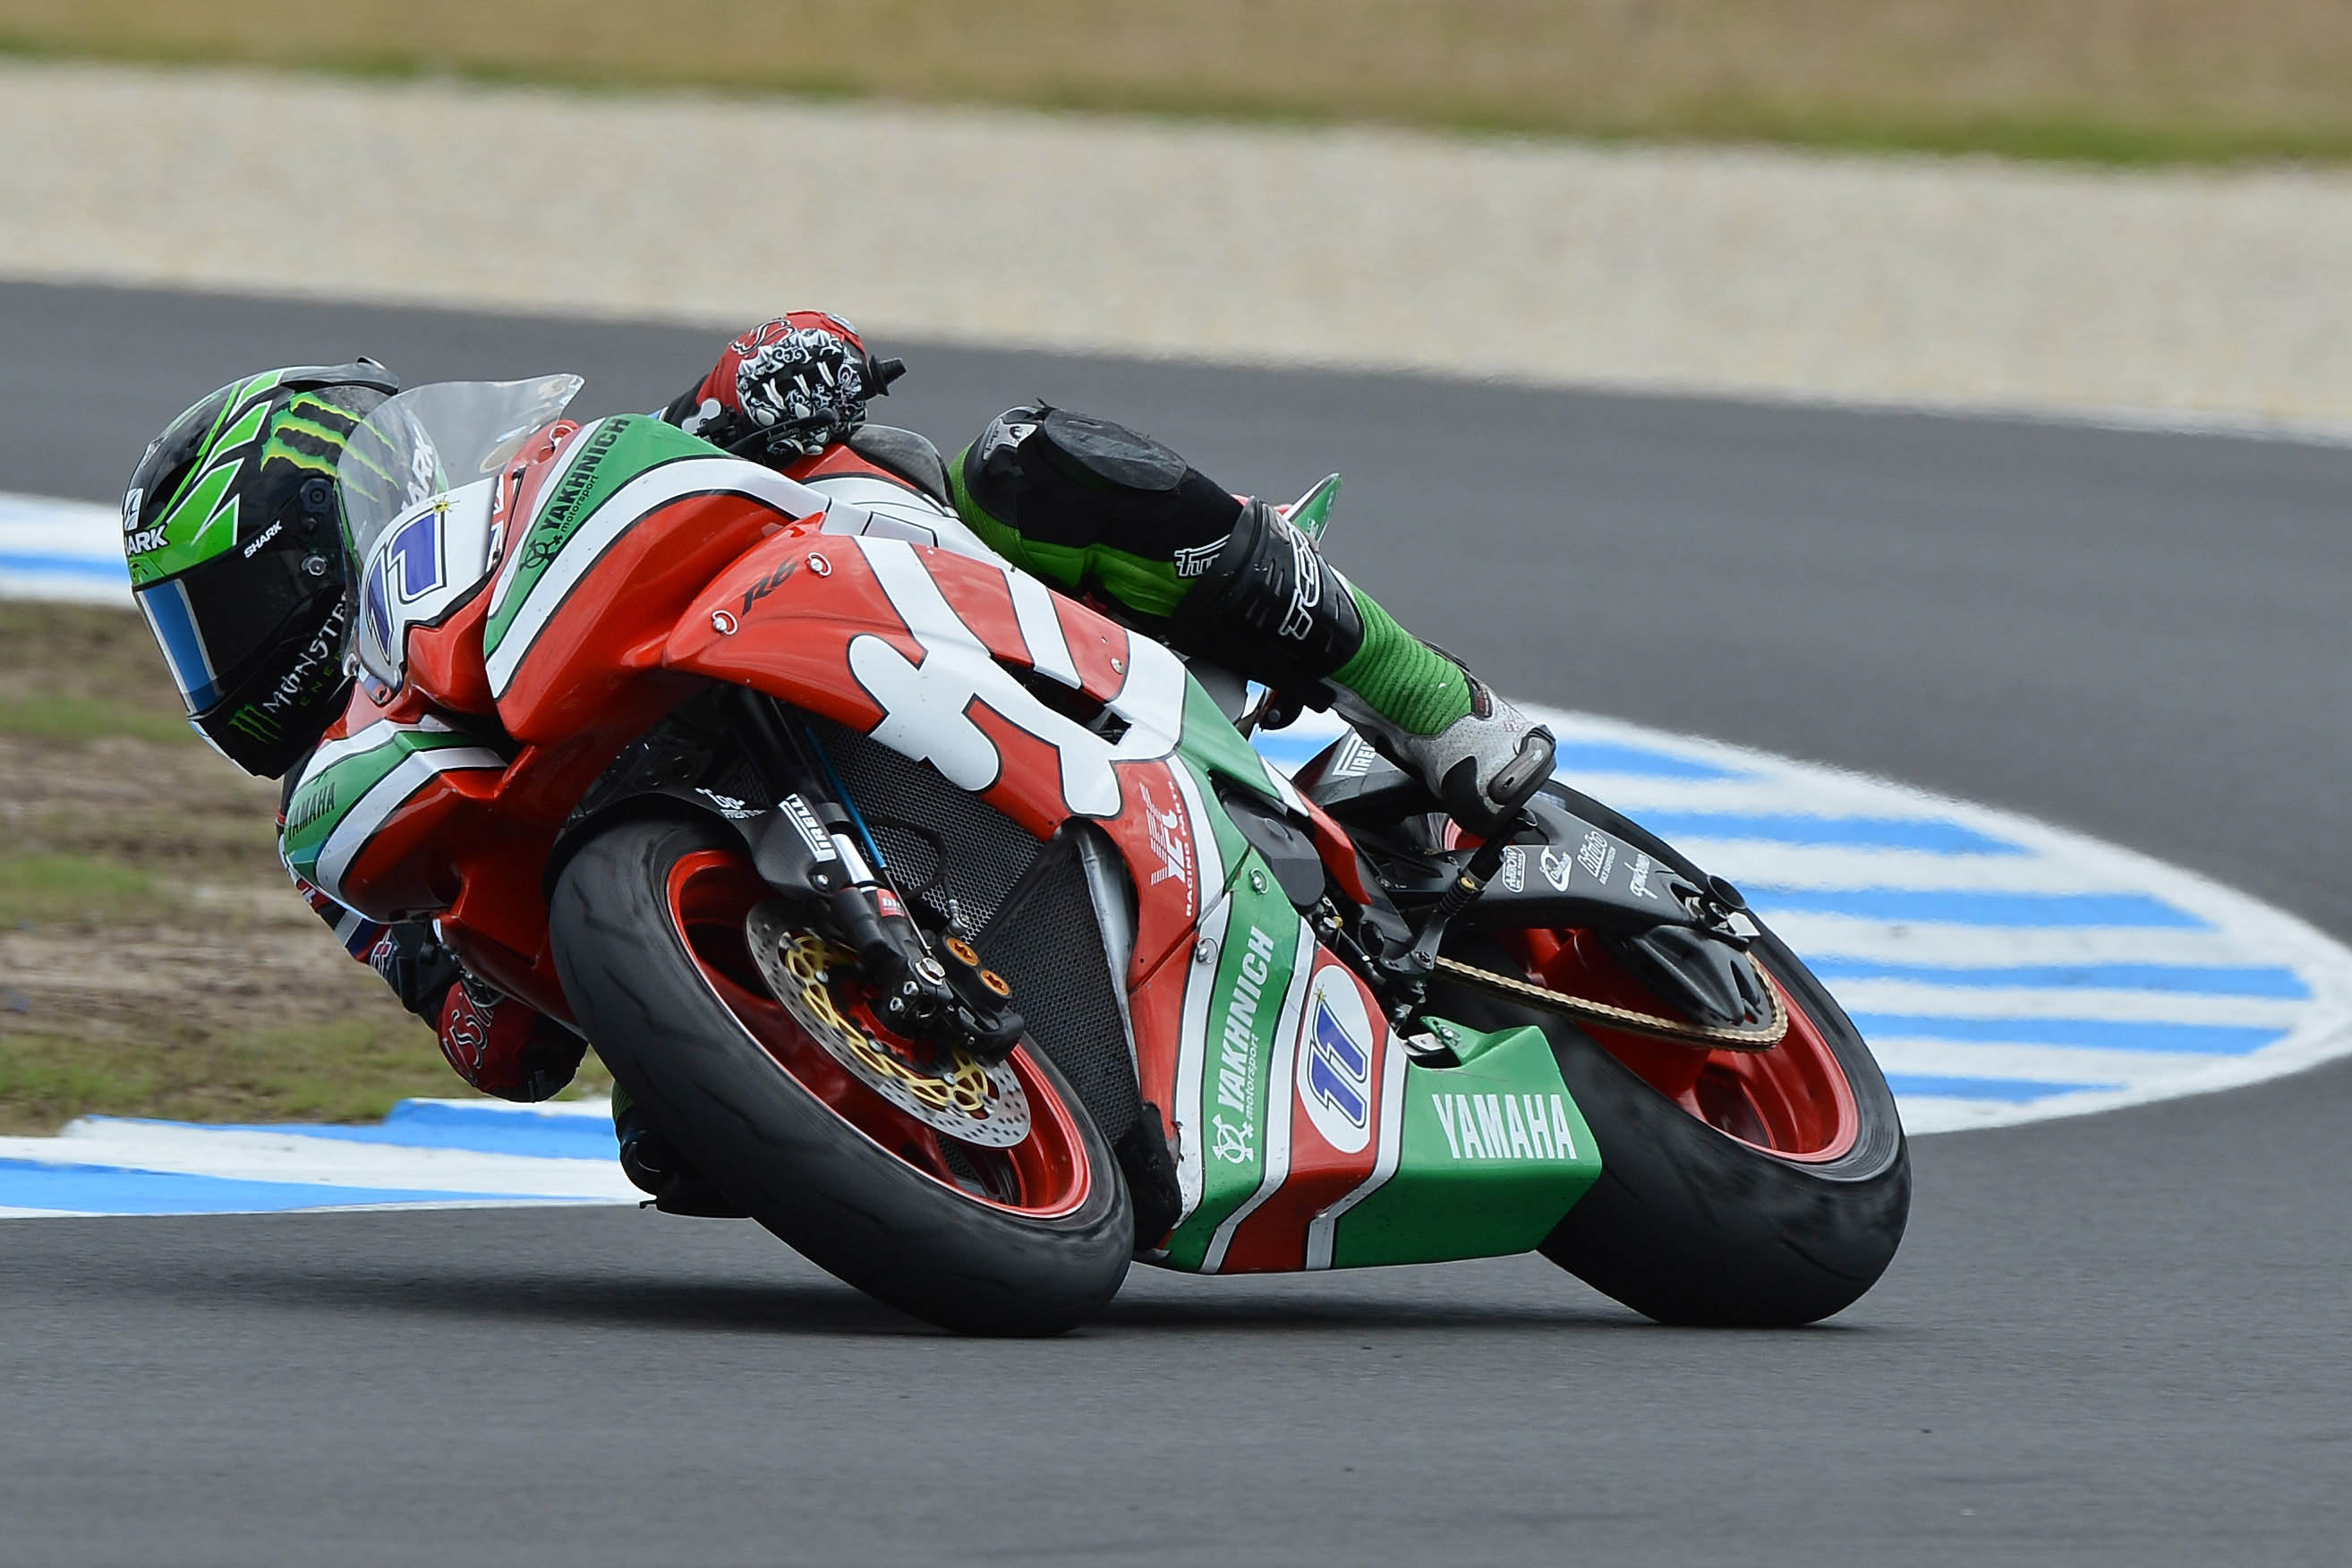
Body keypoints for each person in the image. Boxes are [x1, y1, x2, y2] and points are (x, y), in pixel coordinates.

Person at [118, 314, 1555, 1200]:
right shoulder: (354, 835)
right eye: (193, 639)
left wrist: (771, 381)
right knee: (675, 1157)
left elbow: (792, 368)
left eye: (224, 611)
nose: (225, 666)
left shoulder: (524, 516)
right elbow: (505, 1051)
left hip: (913, 606)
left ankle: (1420, 697)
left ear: (323, 525)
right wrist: (506, 984)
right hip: (761, 881)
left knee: (1006, 460)